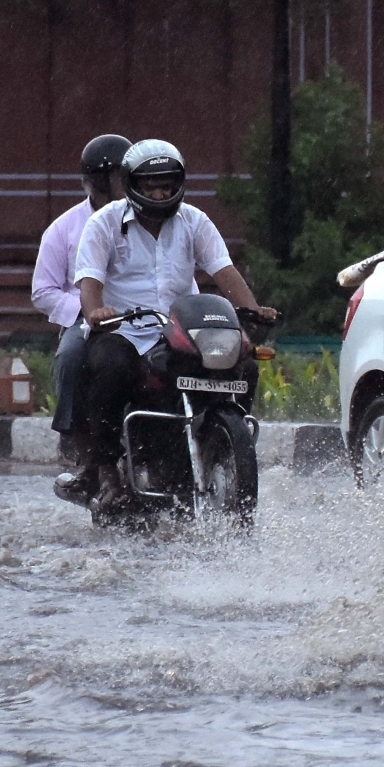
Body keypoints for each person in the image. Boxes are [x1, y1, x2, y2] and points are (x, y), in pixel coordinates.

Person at [71, 139, 276, 511]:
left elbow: (223, 270)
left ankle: (223, 444)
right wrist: (96, 310)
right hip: (124, 331)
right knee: (109, 367)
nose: (159, 192)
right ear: (132, 184)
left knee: (243, 364)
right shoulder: (103, 224)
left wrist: (252, 309)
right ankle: (108, 473)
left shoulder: (195, 221)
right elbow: (89, 283)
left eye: (166, 184)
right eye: (150, 185)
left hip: (181, 332)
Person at [34, 133, 128, 474]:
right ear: (96, 182)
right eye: (115, 178)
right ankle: (88, 456)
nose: (121, 186)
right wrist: (86, 311)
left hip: (142, 312)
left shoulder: (150, 220)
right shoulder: (63, 229)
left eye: (126, 176)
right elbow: (42, 291)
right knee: (72, 357)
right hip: (85, 319)